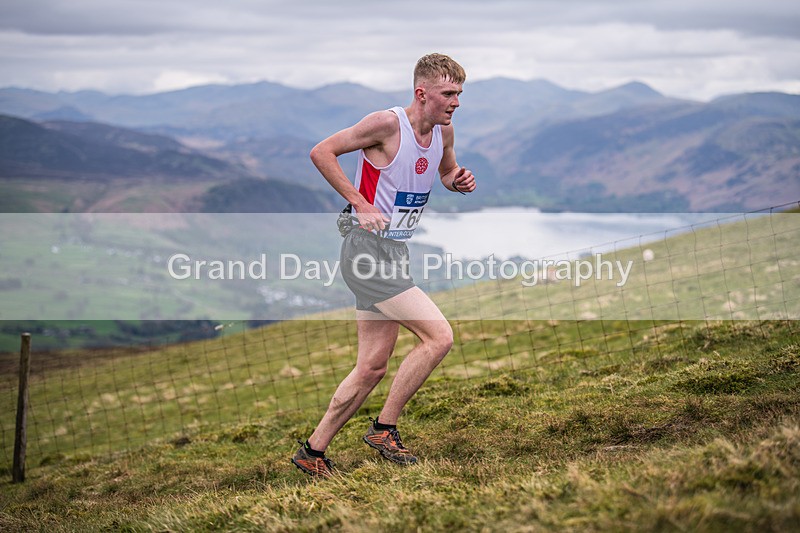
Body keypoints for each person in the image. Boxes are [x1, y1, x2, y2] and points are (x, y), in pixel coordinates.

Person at [291, 53, 476, 478]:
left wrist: (457, 180)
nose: (456, 102)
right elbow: (322, 152)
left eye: (460, 94)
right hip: (365, 252)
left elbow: (446, 172)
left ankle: (312, 452)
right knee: (439, 336)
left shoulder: (445, 130)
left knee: (372, 365)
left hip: (393, 251)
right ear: (421, 93)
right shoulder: (386, 125)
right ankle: (384, 428)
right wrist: (359, 201)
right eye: (449, 93)